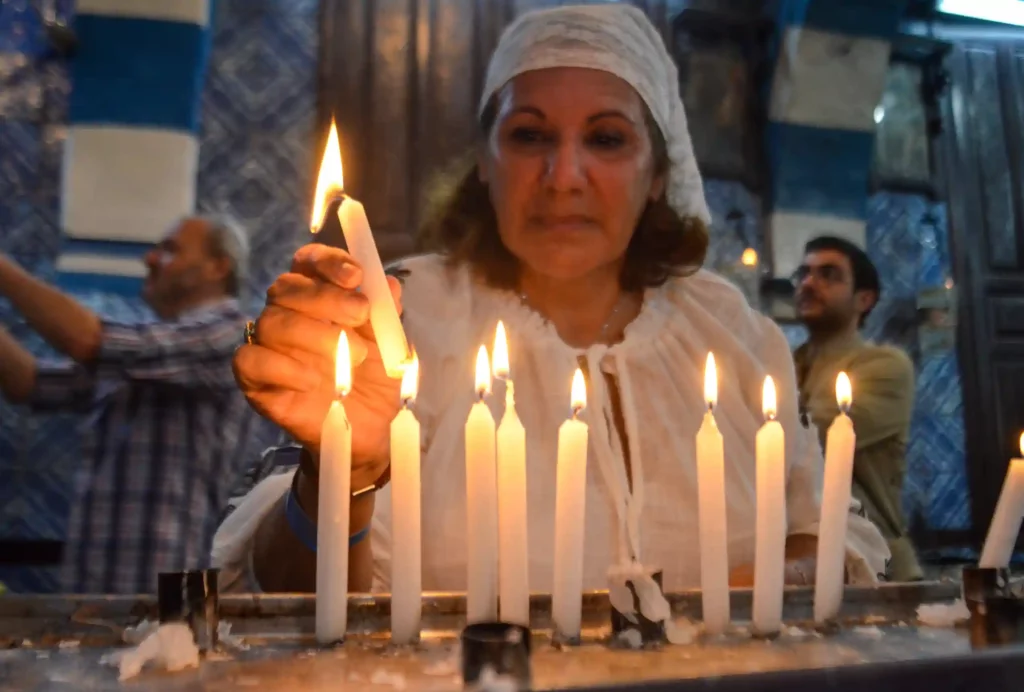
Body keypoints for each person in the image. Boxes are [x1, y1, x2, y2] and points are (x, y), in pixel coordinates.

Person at [216, 4, 888, 594]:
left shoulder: (731, 332)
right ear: (486, 161)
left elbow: (824, 532)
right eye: (530, 135)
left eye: (605, 139)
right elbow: (286, 599)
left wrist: (754, 591)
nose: (563, 177)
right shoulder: (398, 319)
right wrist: (345, 473)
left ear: (657, 173)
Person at [0, 214, 256, 593]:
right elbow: (32, 384)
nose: (150, 259)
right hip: (94, 586)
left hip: (159, 595)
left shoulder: (232, 332)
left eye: (170, 250)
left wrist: (5, 273)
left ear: (219, 266)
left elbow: (88, 341)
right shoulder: (154, 345)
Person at [793, 236, 923, 582]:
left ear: (864, 299)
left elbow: (810, 435)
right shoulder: (783, 363)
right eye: (804, 273)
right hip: (798, 557)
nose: (808, 282)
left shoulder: (885, 366)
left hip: (876, 562)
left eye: (828, 274)